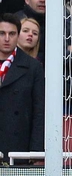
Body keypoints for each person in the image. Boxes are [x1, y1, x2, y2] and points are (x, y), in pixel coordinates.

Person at [0, 13, 44, 165]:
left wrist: (37, 152)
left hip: (19, 146)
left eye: (12, 34)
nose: (7, 38)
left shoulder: (34, 67)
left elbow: (39, 111)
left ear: (18, 36)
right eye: (2, 33)